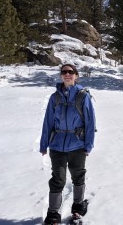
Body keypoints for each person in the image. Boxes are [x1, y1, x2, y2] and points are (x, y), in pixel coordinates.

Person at [40, 64, 96, 224]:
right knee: (58, 178)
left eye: (70, 72)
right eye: (64, 72)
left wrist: (88, 144)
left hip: (77, 144)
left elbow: (90, 122)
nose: (67, 74)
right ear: (61, 76)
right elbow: (48, 122)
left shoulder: (82, 96)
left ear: (76, 76)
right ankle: (53, 213)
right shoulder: (54, 97)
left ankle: (78, 206)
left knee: (78, 175)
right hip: (57, 145)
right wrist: (44, 144)